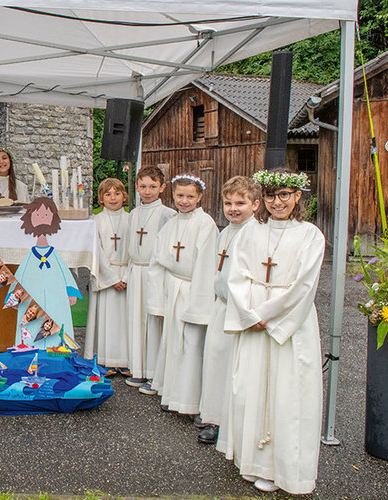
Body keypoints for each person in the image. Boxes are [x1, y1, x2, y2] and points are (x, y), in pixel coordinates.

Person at [216, 168, 324, 495]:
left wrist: (267, 315)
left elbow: (305, 285)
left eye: (285, 195)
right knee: (249, 388)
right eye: (271, 195)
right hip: (253, 322)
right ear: (263, 197)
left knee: (289, 395)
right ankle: (252, 461)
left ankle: (286, 471)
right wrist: (250, 315)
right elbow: (236, 276)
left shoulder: (310, 235)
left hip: (289, 326)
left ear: (297, 196)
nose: (277, 202)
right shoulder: (252, 232)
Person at [146, 174, 218, 420]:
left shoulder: (206, 224)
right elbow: (157, 262)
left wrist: (199, 306)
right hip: (172, 287)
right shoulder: (170, 224)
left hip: (192, 289)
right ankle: (171, 394)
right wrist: (157, 299)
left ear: (199, 197)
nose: (184, 201)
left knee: (192, 344)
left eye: (190, 196)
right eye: (180, 196)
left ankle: (192, 402)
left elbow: (207, 267)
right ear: (173, 196)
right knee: (172, 342)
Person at [197, 176, 260, 445]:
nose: (233, 208)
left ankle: (232, 422)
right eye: (228, 203)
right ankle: (213, 416)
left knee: (235, 369)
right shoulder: (226, 231)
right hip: (221, 307)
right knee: (215, 363)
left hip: (240, 311)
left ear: (255, 205)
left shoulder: (257, 235)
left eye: (240, 203)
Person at [124, 166, 176, 394]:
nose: (147, 191)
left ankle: (155, 375)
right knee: (136, 320)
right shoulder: (133, 214)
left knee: (153, 323)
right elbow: (129, 246)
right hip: (136, 271)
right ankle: (138, 369)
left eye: (153, 186)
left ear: (162, 188)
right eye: (143, 186)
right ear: (136, 187)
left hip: (155, 273)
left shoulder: (168, 215)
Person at [12, 196, 81, 347]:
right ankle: (29, 350)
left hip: (55, 295)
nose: (42, 219)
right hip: (32, 293)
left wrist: (70, 291)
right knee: (31, 323)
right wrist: (14, 296)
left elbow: (65, 274)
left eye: (46, 215)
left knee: (57, 318)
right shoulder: (29, 257)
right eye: (38, 215)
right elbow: (20, 275)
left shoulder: (55, 255)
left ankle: (59, 349)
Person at [84, 178, 131, 376]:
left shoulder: (132, 219)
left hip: (127, 273)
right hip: (106, 275)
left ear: (124, 196)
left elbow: (136, 251)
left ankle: (126, 360)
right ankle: (105, 360)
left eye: (117, 193)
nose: (113, 198)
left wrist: (127, 276)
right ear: (101, 199)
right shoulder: (95, 221)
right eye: (108, 194)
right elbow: (97, 251)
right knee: (106, 320)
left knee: (126, 320)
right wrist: (112, 278)